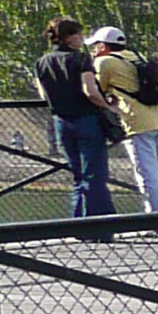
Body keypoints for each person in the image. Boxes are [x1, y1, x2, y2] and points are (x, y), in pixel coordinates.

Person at [31, 16, 117, 226]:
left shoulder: (41, 63)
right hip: (86, 119)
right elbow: (90, 91)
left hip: (61, 121)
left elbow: (44, 94)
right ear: (68, 38)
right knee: (94, 175)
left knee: (78, 175)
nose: (81, 38)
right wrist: (108, 107)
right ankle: (99, 226)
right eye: (77, 34)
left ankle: (79, 222)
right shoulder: (80, 59)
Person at [87, 25, 158, 217]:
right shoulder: (136, 57)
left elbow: (96, 89)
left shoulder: (105, 62)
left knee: (146, 175)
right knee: (152, 174)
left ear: (102, 46)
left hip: (135, 122)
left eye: (95, 46)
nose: (93, 50)